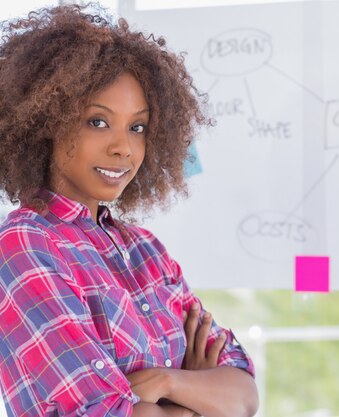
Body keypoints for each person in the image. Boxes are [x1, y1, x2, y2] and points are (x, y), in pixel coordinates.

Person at [0, 4, 258, 417]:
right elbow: (101, 411)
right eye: (98, 122)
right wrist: (197, 398)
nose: (123, 148)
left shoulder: (146, 251)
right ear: (46, 120)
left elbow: (243, 396)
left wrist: (166, 383)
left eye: (137, 127)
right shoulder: (24, 245)